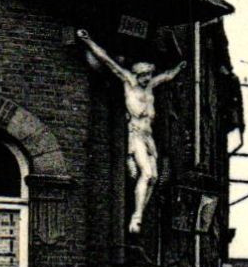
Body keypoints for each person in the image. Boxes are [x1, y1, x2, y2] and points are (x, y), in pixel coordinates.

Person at [77, 30, 183, 234]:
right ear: (136, 74)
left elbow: (168, 76)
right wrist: (88, 40)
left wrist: (179, 67)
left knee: (153, 178)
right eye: (143, 76)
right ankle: (136, 218)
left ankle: (139, 211)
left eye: (148, 76)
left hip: (148, 137)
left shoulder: (151, 86)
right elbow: (107, 60)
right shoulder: (129, 82)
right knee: (148, 173)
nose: (146, 79)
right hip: (135, 135)